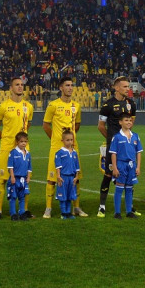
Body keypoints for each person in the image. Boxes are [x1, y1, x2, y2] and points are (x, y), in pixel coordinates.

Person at [42, 77, 86, 218]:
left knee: (75, 177)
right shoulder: (53, 105)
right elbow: (46, 125)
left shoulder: (76, 106)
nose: (70, 88)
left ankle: (76, 208)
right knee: (52, 178)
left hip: (73, 147)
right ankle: (48, 208)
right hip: (57, 147)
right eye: (67, 85)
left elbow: (77, 125)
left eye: (71, 85)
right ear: (61, 87)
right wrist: (57, 139)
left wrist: (69, 140)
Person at [0, 77, 33, 219]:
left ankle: (24, 210)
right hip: (7, 148)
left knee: (25, 179)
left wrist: (22, 141)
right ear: (11, 88)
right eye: (17, 85)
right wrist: (6, 139)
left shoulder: (29, 106)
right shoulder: (3, 106)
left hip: (23, 149)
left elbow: (28, 126)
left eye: (22, 85)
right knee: (2, 179)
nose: (20, 87)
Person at [97, 76, 138, 218]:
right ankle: (102, 206)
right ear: (117, 87)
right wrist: (112, 140)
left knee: (129, 176)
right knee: (109, 175)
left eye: (129, 86)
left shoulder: (131, 104)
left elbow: (131, 123)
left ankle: (129, 207)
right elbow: (101, 126)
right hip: (114, 148)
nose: (128, 89)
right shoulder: (107, 105)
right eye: (125, 86)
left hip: (127, 148)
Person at [109, 114, 143, 219]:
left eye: (130, 120)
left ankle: (129, 212)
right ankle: (117, 212)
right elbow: (113, 153)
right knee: (119, 188)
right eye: (126, 120)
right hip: (121, 165)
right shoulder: (117, 137)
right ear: (120, 122)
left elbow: (139, 152)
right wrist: (114, 167)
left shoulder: (135, 136)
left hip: (132, 166)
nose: (129, 122)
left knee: (129, 188)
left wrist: (138, 167)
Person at [55, 129, 80, 220]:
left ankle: (68, 212)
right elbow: (58, 166)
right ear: (63, 141)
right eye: (67, 140)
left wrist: (76, 176)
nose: (70, 142)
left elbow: (77, 166)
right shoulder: (59, 153)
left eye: (71, 140)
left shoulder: (74, 153)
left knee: (70, 196)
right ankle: (63, 213)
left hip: (72, 178)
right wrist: (58, 176)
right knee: (63, 196)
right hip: (63, 177)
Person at [7, 131, 32, 221]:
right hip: (15, 179)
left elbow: (29, 167)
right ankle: (13, 214)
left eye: (25, 141)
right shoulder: (13, 152)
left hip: (23, 180)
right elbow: (10, 166)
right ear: (17, 142)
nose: (23, 143)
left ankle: (22, 213)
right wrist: (12, 177)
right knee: (13, 197)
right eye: (21, 142)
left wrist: (28, 177)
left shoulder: (28, 154)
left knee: (22, 197)